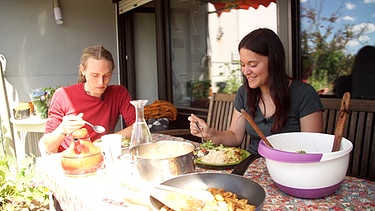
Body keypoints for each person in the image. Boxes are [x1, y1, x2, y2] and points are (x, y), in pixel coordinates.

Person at [188, 28, 324, 154]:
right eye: (242, 64)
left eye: (253, 65)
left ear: (274, 61)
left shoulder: (303, 94)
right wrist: (209, 133)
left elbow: (312, 147)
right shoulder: (244, 93)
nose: (246, 71)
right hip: (253, 164)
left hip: (291, 168)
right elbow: (235, 136)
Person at [40, 45, 136, 153]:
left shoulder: (118, 93)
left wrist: (105, 141)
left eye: (107, 75)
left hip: (102, 156)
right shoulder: (62, 95)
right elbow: (48, 147)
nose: (101, 82)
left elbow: (137, 128)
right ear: (83, 70)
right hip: (71, 160)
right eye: (95, 75)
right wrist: (62, 129)